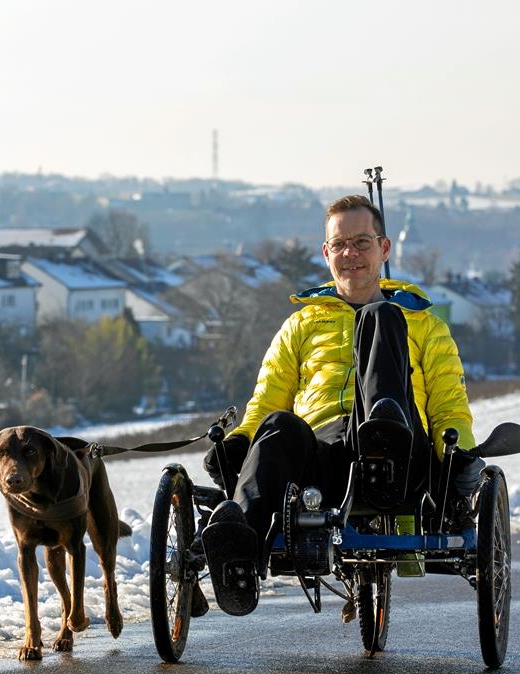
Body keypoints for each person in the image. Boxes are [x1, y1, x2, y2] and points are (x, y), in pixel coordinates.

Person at [200, 194, 484, 615]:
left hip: (402, 456)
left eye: (362, 243)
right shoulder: (301, 324)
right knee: (280, 422)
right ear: (326, 253)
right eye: (340, 245)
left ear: (384, 249)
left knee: (380, 317)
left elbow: (448, 403)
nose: (351, 254)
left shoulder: (423, 323)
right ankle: (238, 548)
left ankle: (383, 435)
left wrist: (459, 455)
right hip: (326, 453)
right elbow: (267, 398)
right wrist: (242, 441)